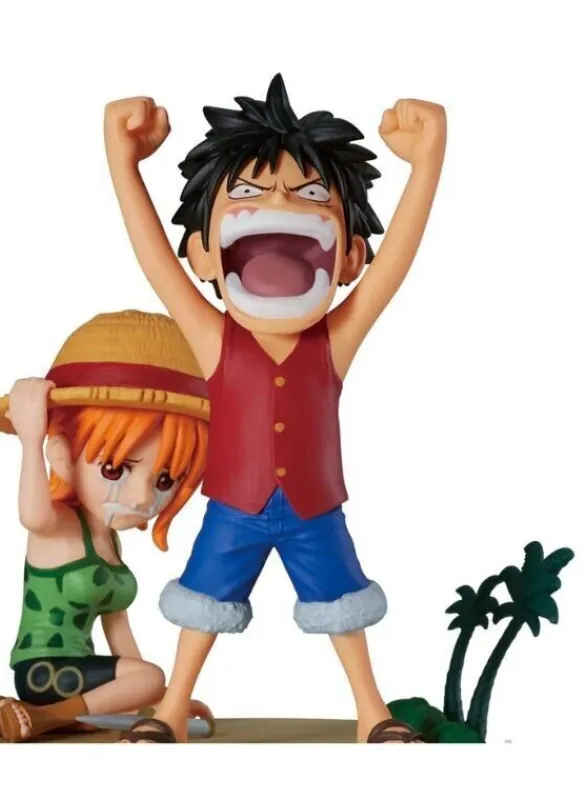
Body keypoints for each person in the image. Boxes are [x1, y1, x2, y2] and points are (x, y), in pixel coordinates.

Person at [104, 75, 446, 743]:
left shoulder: (334, 342)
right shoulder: (215, 340)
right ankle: (172, 707)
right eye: (249, 193)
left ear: (349, 256)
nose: (281, 202)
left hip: (316, 508)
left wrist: (428, 162)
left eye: (312, 194)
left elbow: (394, 267)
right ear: (203, 252)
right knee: (202, 606)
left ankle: (371, 711)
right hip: (235, 506)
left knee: (343, 608)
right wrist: (122, 163)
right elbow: (154, 261)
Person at [0, 310, 209, 742]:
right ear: (61, 455)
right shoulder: (59, 525)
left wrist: (154, 701)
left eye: (164, 480)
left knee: (151, 677)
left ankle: (62, 716)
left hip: (82, 676)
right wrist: (30, 441)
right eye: (115, 468)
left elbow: (117, 629)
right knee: (151, 676)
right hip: (44, 672)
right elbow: (31, 515)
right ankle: (44, 717)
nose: (142, 497)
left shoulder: (108, 541)